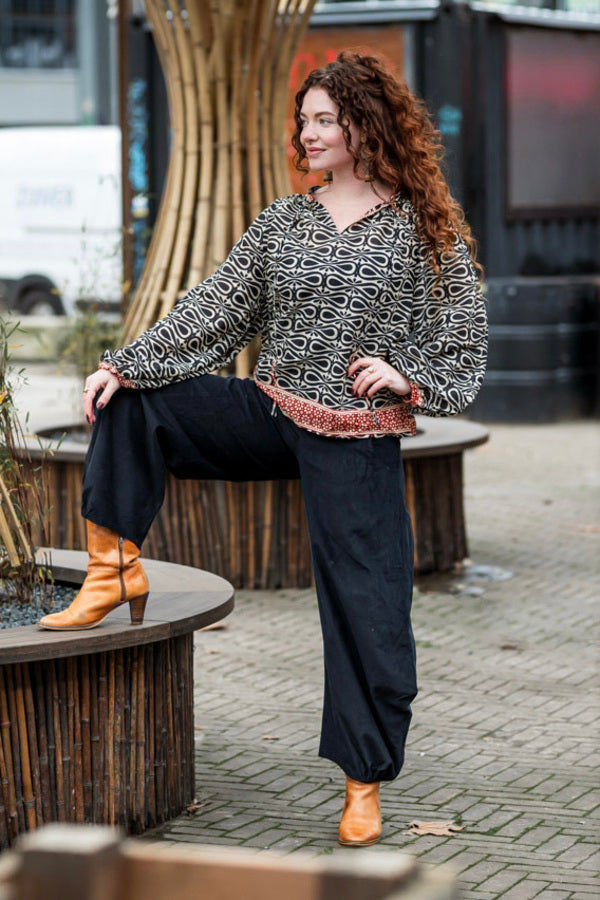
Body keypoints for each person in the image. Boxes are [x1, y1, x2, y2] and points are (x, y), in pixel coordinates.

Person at [38, 51, 487, 846]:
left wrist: (405, 373)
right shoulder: (283, 221)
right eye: (304, 120)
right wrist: (122, 363)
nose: (307, 133)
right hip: (271, 408)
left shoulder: (422, 227)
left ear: (365, 124)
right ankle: (113, 570)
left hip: (356, 431)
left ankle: (362, 783)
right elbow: (216, 308)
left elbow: (463, 343)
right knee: (135, 402)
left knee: (370, 609)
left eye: (325, 120)